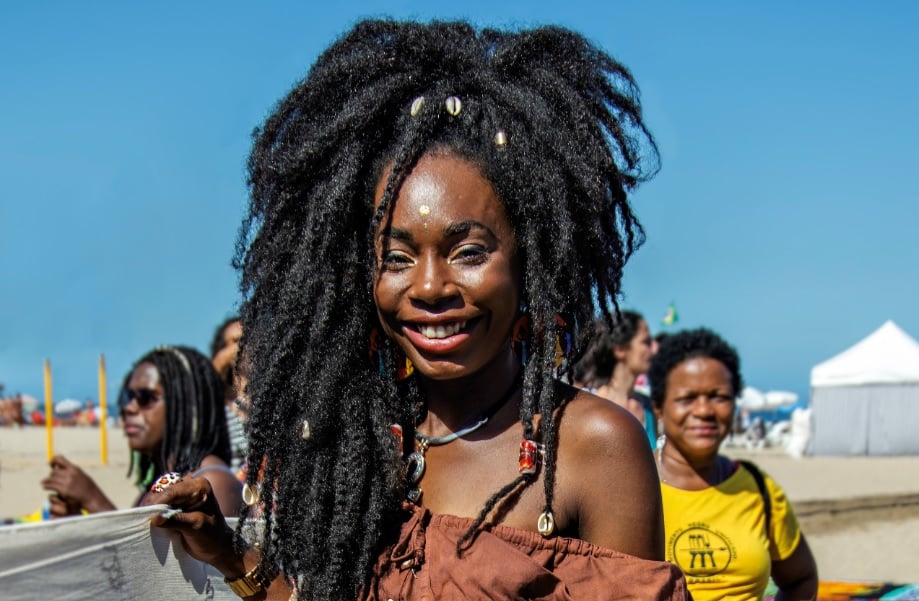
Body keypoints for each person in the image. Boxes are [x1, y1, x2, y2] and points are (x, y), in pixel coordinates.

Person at [144, 19, 688, 601]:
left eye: (468, 251)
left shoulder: (594, 445)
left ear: (532, 262)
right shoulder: (363, 443)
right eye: (397, 258)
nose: (430, 286)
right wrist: (229, 554)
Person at [648, 328, 818, 600]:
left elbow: (800, 579)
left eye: (719, 397)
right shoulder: (633, 486)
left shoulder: (757, 488)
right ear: (658, 406)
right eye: (687, 398)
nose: (704, 410)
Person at [41, 345, 242, 517]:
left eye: (145, 397)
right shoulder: (162, 480)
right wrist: (79, 520)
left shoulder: (213, 481)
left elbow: (159, 562)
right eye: (128, 397)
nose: (130, 407)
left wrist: (93, 499)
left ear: (186, 404)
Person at [572, 310, 657, 446]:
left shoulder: (648, 407)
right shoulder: (592, 406)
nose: (654, 350)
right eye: (646, 342)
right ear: (620, 349)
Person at [210, 316, 249, 475]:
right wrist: (219, 362)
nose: (246, 347)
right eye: (237, 341)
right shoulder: (218, 408)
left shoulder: (277, 401)